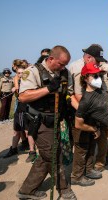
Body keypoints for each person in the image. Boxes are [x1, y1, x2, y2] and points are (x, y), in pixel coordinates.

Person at [16, 45, 76, 200]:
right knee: (53, 154)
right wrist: (48, 89)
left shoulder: (65, 73)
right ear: (50, 59)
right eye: (61, 64)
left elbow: (70, 94)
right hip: (39, 122)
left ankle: (26, 190)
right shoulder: (33, 71)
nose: (63, 67)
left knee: (45, 156)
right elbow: (23, 96)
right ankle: (64, 189)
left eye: (65, 64)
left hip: (57, 120)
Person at [82, 44, 108, 171]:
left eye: (87, 56)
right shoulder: (86, 67)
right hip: (92, 106)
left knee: (103, 134)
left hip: (106, 107)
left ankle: (100, 163)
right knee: (95, 134)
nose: (84, 58)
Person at [68, 46, 103, 186]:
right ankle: (77, 176)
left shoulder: (92, 67)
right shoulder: (78, 69)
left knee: (91, 143)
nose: (99, 63)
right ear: (89, 57)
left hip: (91, 111)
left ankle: (88, 170)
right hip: (81, 112)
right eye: (97, 60)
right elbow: (77, 95)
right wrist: (85, 112)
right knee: (82, 147)